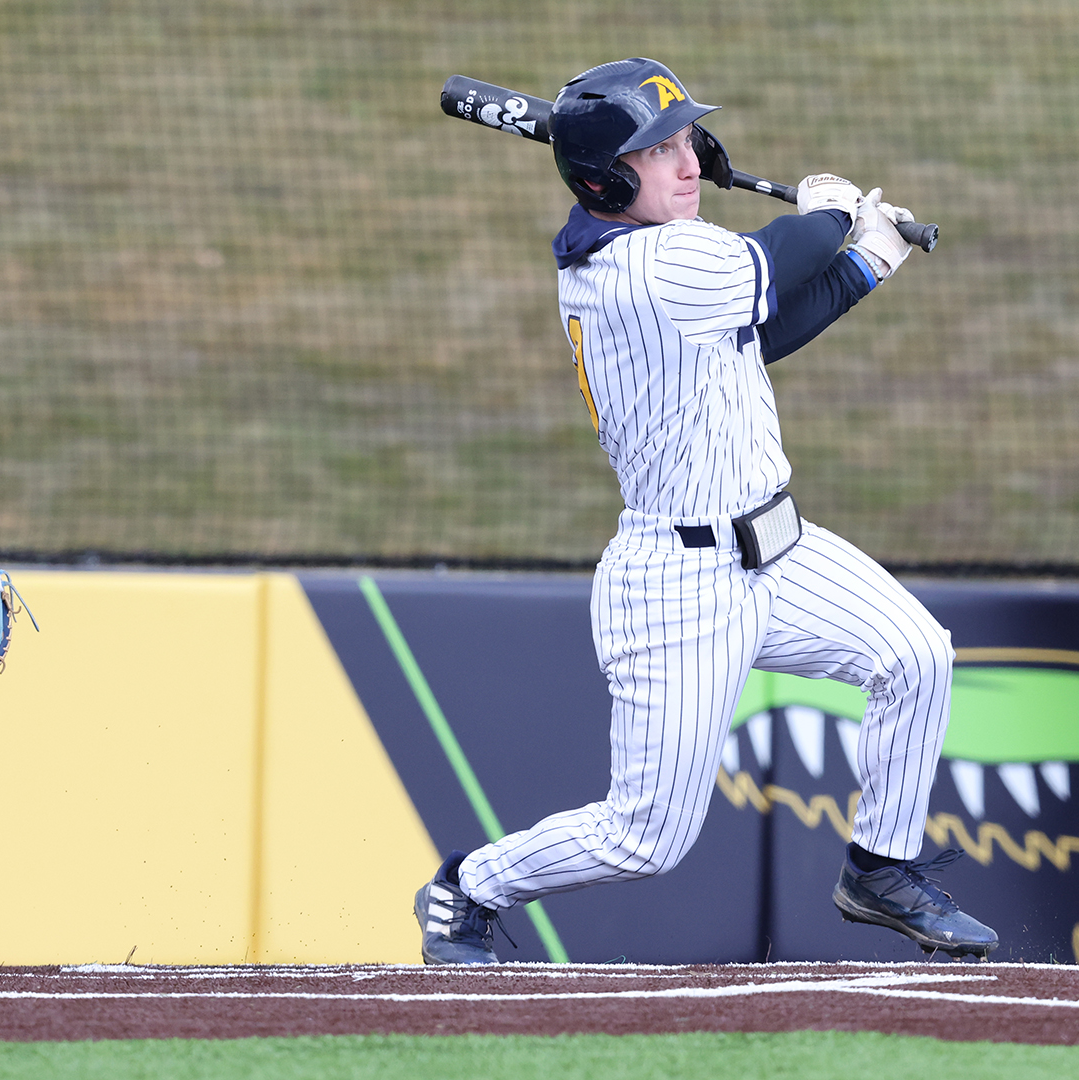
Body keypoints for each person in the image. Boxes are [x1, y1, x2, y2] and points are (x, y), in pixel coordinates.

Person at [414, 59, 997, 964]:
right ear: (605, 180)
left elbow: (763, 334)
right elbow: (777, 260)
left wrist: (867, 261)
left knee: (915, 654)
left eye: (687, 141)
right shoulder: (643, 265)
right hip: (678, 580)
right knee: (645, 839)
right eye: (659, 151)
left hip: (780, 549)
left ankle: (880, 870)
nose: (687, 163)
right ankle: (470, 887)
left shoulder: (678, 256)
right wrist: (833, 213)